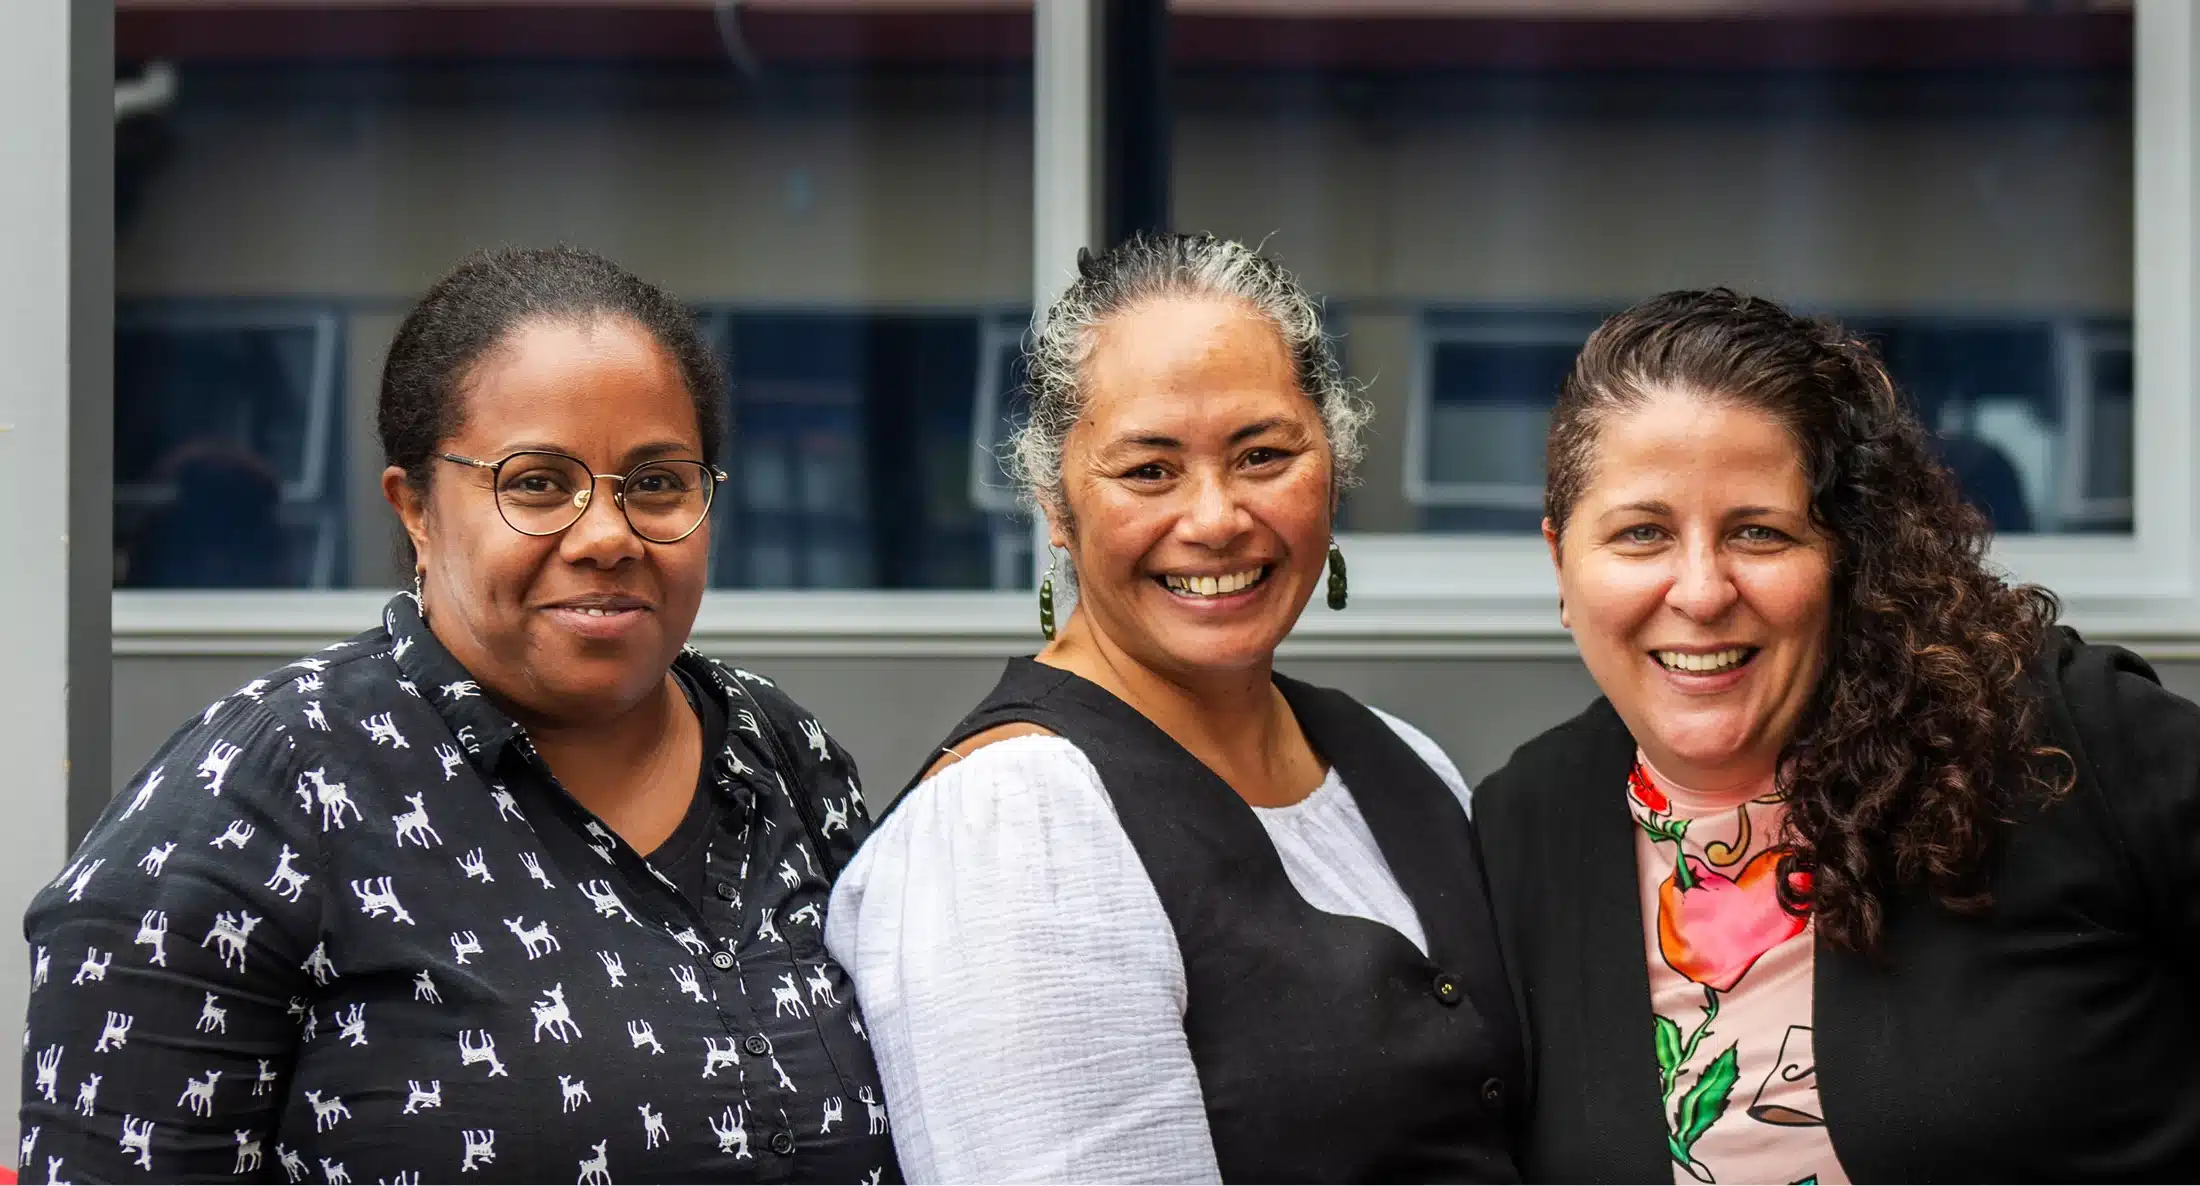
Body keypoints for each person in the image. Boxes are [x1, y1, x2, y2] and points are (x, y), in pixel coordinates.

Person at [20, 246, 900, 1184]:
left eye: (656, 483)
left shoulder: (780, 757)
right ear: (416, 509)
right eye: (536, 483)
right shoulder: (260, 796)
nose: (608, 535)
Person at [826, 233, 1523, 1183]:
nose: (1216, 519)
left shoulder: (1403, 761)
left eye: (1263, 455)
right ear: (1056, 506)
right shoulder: (1015, 825)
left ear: (1335, 465)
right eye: (1150, 470)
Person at [1474, 288, 2200, 1183]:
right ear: (1561, 562)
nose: (1701, 592)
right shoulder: (1518, 828)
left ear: (1843, 555)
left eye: (1759, 533)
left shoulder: (2053, 739)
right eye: (1642, 534)